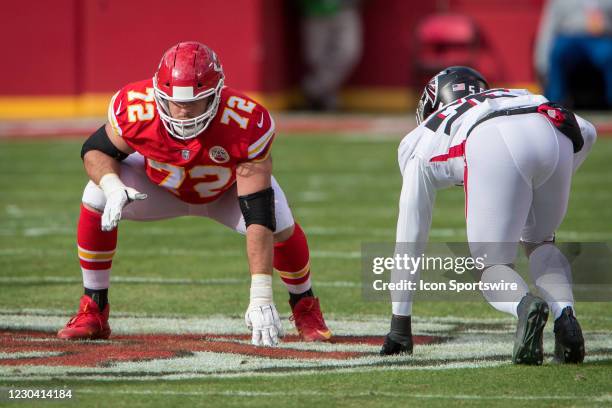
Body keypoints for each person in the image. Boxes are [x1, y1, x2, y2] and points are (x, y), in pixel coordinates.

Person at [57, 41, 331, 347]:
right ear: (158, 93)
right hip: (158, 187)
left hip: (224, 192)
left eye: (195, 102)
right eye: (174, 101)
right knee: (95, 195)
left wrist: (261, 296)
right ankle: (93, 308)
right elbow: (94, 150)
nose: (183, 111)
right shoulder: (136, 108)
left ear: (216, 95)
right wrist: (112, 185)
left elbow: (258, 213)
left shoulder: (245, 121)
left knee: (280, 222)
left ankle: (305, 306)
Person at [380, 66, 596, 364]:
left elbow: (411, 235)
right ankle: (565, 317)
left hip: (490, 136)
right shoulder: (509, 93)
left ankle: (525, 306)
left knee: (491, 266)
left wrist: (399, 325)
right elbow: (586, 131)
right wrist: (554, 180)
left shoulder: (420, 137)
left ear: (432, 103)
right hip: (552, 124)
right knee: (541, 241)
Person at [535, 0, 612, 107]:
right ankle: (554, 103)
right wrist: (541, 61)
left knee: (609, 54)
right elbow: (548, 29)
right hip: (570, 37)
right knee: (559, 51)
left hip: (601, 38)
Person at [299, 0, 363, 111]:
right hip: (315, 9)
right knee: (316, 59)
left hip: (345, 8)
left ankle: (313, 89)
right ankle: (327, 101)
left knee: (347, 52)